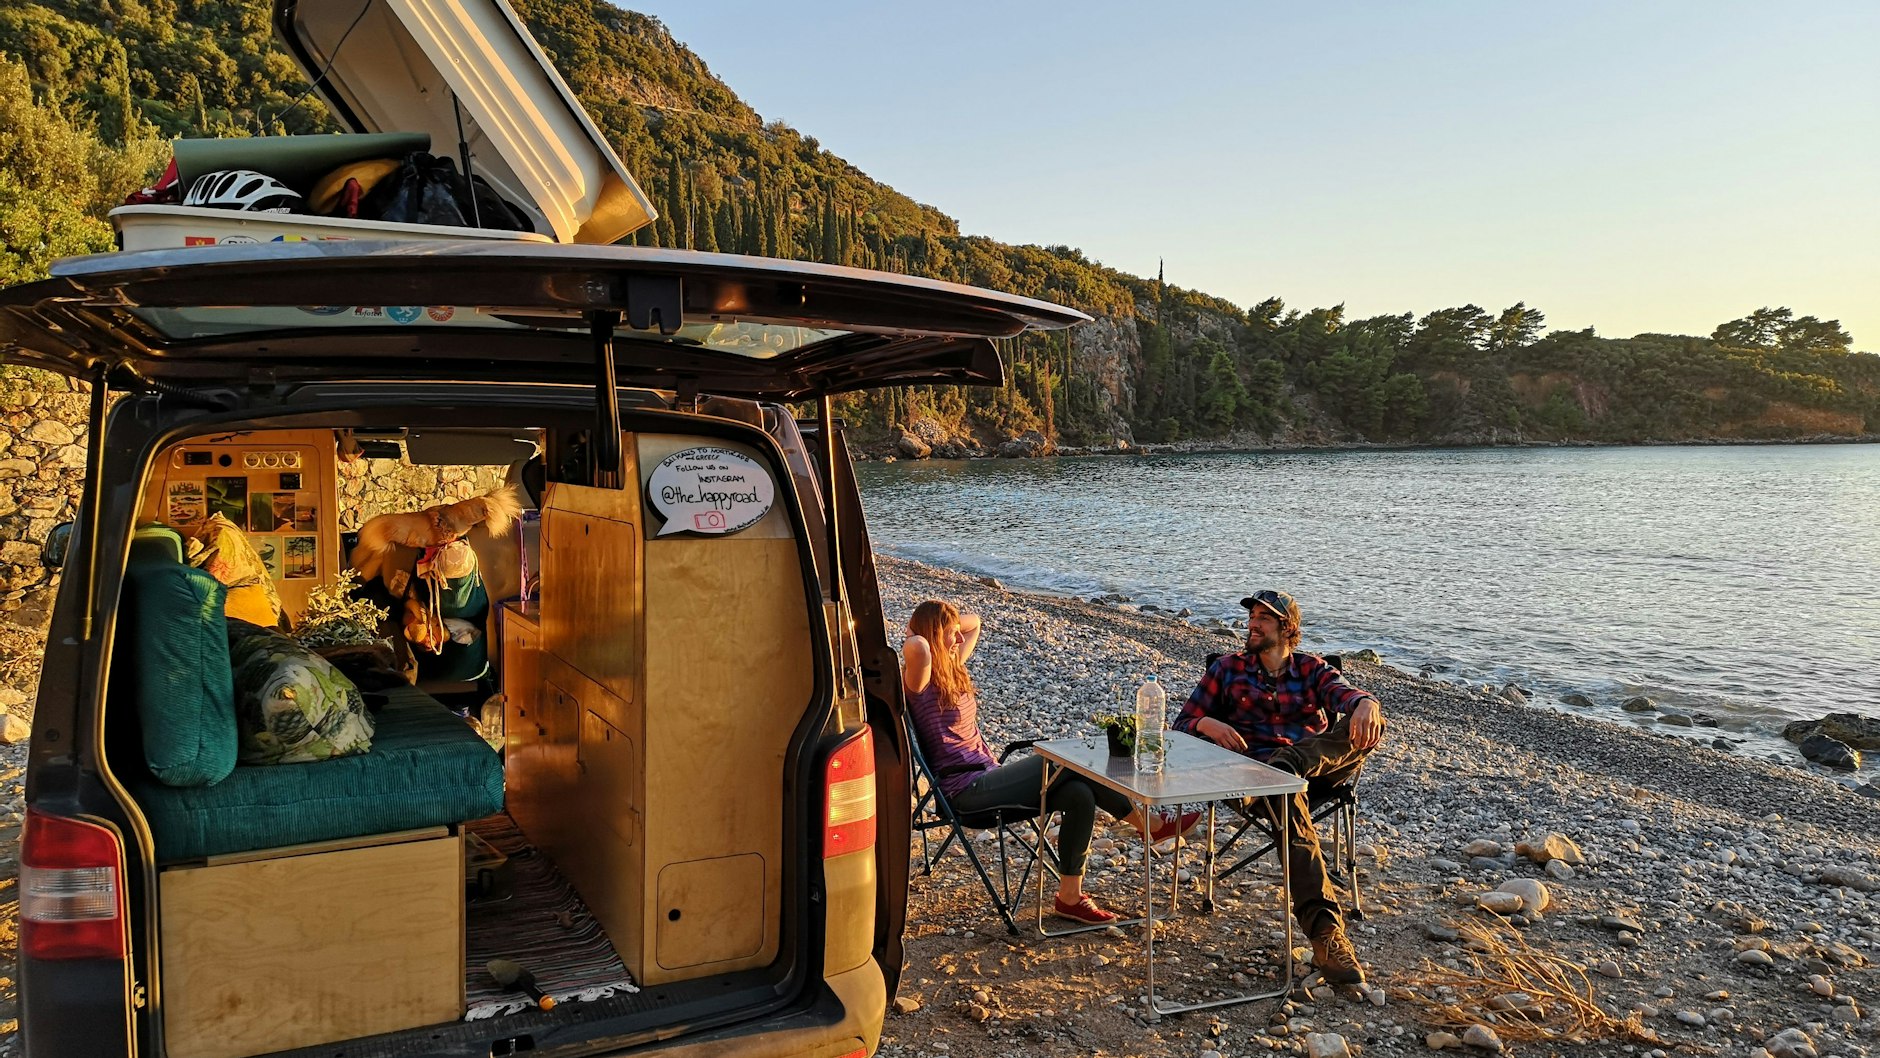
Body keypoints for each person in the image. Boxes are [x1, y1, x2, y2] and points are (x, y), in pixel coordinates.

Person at [903, 599, 1199, 925]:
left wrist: (950, 623)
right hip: (965, 792)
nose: (960, 639)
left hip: (991, 778)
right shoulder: (920, 680)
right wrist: (919, 628)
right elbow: (918, 646)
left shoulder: (951, 666)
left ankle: (1070, 898)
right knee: (1066, 761)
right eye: (951, 633)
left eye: (958, 634)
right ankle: (1151, 825)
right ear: (934, 636)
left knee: (1079, 794)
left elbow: (976, 623)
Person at [1170, 589, 1384, 985]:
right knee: (1284, 793)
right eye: (1251, 617)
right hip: (1255, 778)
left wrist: (1368, 703)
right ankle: (1325, 934)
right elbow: (1180, 726)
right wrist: (1205, 723)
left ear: (1288, 628)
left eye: (1263, 618)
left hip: (1316, 771)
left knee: (1369, 724)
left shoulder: (1312, 669)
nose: (1252, 624)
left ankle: (1289, 765)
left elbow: (1348, 697)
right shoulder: (1227, 669)